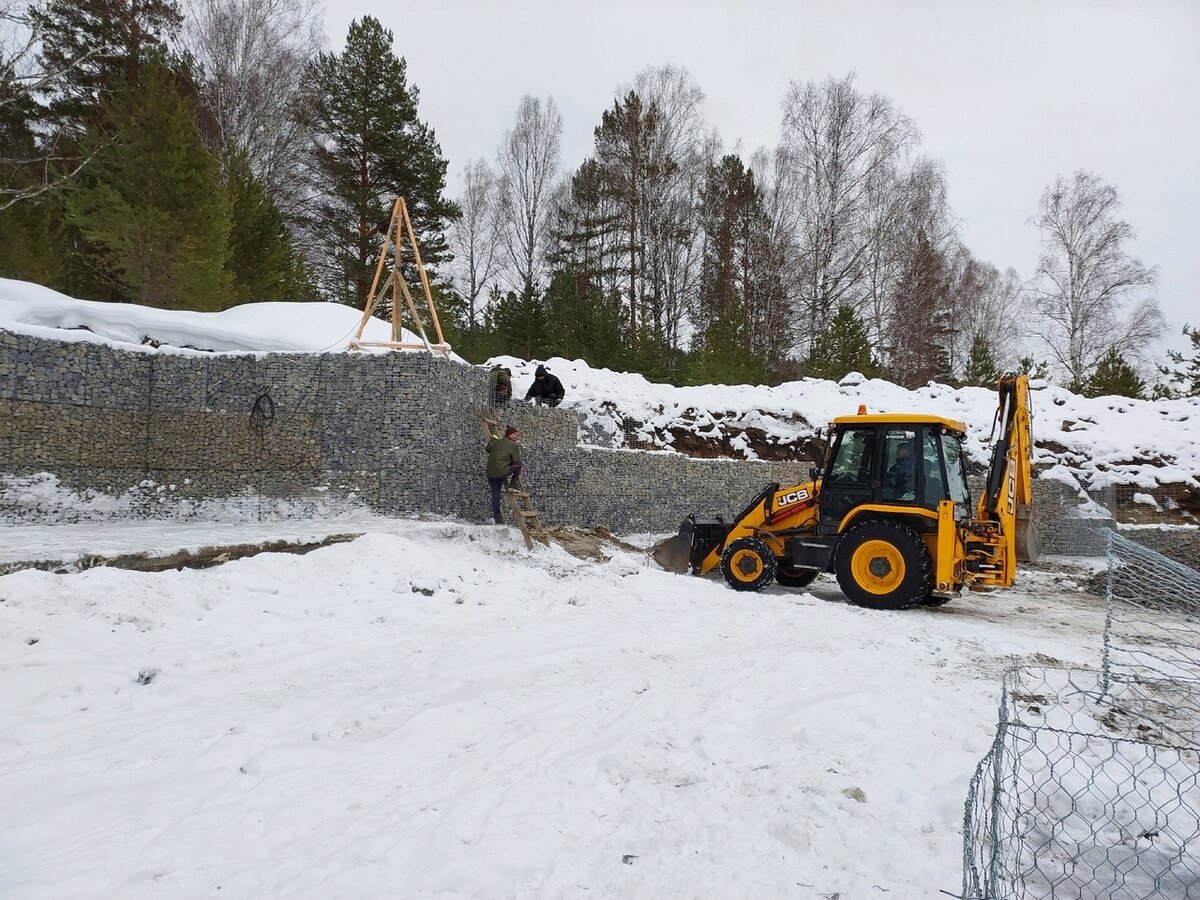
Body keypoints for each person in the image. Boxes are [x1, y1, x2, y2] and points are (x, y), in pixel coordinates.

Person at [485, 425, 523, 524]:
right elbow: (515, 460)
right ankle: (513, 485)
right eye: (515, 434)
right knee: (519, 465)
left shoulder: (496, 442)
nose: (516, 436)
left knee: (495, 494)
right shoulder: (513, 445)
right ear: (509, 434)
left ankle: (497, 518)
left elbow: (487, 449)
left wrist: (493, 438)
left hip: (491, 473)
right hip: (502, 471)